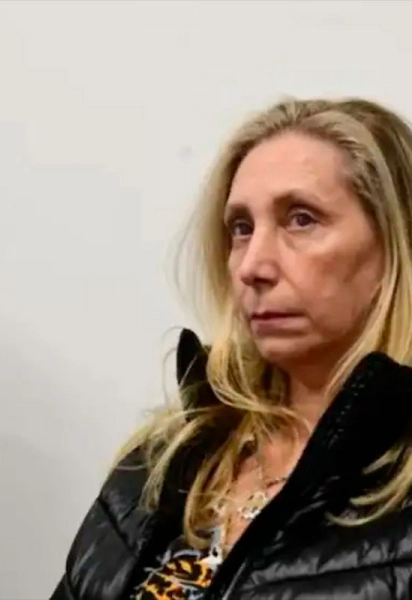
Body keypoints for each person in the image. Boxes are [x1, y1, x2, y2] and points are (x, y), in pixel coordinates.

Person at [51, 97, 412, 600]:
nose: (252, 266)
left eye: (301, 219)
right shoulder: (167, 458)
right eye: (241, 228)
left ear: (395, 243)